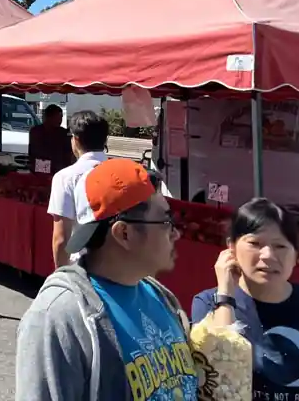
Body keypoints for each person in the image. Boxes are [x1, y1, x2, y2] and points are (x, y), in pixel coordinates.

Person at [16, 159, 197, 401]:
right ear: (124, 233)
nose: (176, 233)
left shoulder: (161, 297)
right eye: (166, 222)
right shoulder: (58, 317)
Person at [191, 198, 299, 398]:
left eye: (280, 246)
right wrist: (225, 295)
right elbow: (217, 377)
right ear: (231, 248)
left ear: (296, 255)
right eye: (255, 243)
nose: (268, 255)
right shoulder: (209, 303)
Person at [47, 110, 111, 269]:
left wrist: (60, 276)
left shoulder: (66, 177)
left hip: (83, 267)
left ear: (75, 139)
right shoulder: (123, 173)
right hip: (119, 267)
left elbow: (61, 239)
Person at [27, 103, 73, 176]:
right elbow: (35, 151)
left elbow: (68, 152)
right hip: (41, 167)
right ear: (49, 117)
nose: (60, 120)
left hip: (60, 169)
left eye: (61, 117)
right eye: (57, 117)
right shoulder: (36, 131)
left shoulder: (64, 133)